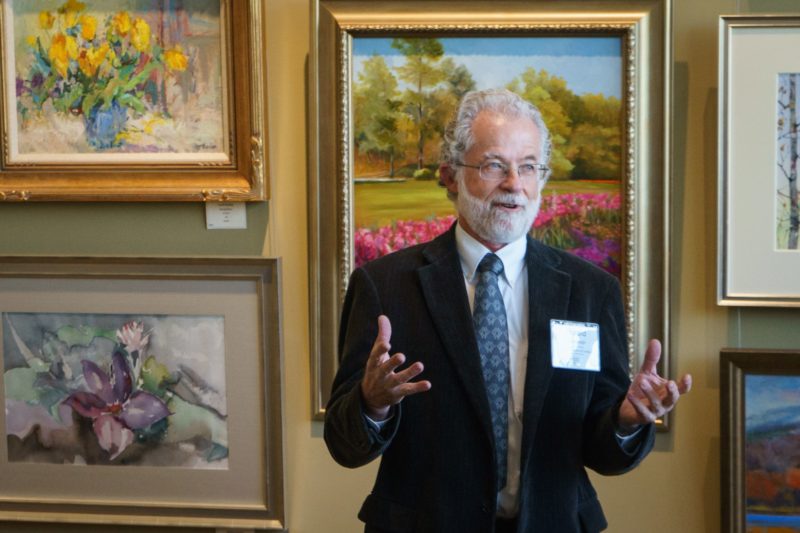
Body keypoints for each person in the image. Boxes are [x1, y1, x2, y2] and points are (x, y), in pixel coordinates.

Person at [324, 88, 691, 533]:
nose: (514, 184)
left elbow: (603, 453)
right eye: (494, 165)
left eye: (529, 167)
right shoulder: (384, 285)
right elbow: (344, 447)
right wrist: (371, 405)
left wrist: (627, 420)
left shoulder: (592, 291)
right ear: (450, 176)